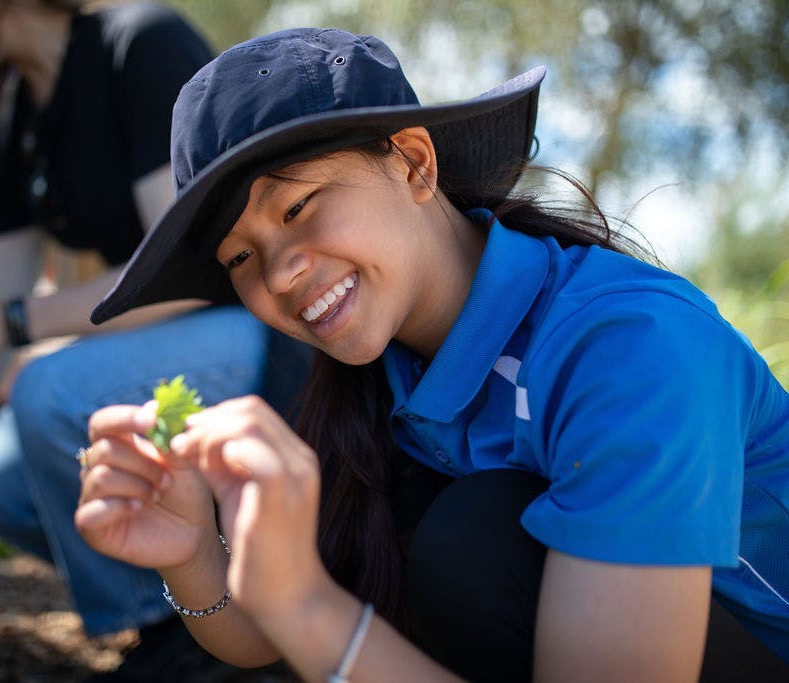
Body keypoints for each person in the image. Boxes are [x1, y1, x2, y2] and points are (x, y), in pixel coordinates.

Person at [75, 27, 789, 682]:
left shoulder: (629, 348)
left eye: (297, 208)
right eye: (240, 257)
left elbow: (315, 615)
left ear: (415, 164)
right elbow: (277, 630)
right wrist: (194, 549)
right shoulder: (378, 374)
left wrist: (305, 603)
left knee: (469, 543)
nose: (280, 273)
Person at [0, 2, 309, 680]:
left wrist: (19, 322)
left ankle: (185, 636)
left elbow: (186, 270)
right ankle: (189, 595)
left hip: (268, 336)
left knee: (50, 390)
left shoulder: (138, 46)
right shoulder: (15, 118)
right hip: (181, 350)